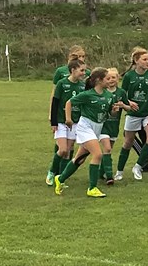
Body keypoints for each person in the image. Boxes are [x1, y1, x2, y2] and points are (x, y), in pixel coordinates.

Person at [55, 67, 125, 198]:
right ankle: (92, 188)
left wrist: (114, 111)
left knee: (79, 159)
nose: (109, 81)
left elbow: (109, 113)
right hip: (85, 127)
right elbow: (69, 102)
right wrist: (68, 119)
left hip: (97, 128)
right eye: (107, 78)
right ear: (99, 80)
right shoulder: (87, 94)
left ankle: (60, 179)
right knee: (97, 154)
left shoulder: (109, 96)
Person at [46, 46, 89, 185]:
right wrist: (53, 122)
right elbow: (55, 102)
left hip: (75, 122)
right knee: (62, 150)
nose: (84, 73)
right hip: (61, 121)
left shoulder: (82, 86)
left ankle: (60, 178)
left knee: (69, 151)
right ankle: (52, 172)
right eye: (81, 70)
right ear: (73, 70)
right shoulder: (62, 83)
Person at [115, 47, 148, 181]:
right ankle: (119, 171)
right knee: (128, 142)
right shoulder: (129, 76)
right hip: (133, 114)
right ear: (136, 60)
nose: (147, 62)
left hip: (147, 114)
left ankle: (138, 166)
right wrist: (129, 102)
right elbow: (122, 94)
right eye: (144, 59)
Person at [99, 67, 130, 185]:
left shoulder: (121, 93)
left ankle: (100, 172)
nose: (111, 80)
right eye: (108, 78)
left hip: (114, 126)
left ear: (118, 79)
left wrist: (123, 106)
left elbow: (128, 107)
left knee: (108, 149)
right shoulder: (102, 91)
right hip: (103, 125)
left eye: (113, 77)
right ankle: (109, 176)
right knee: (107, 148)